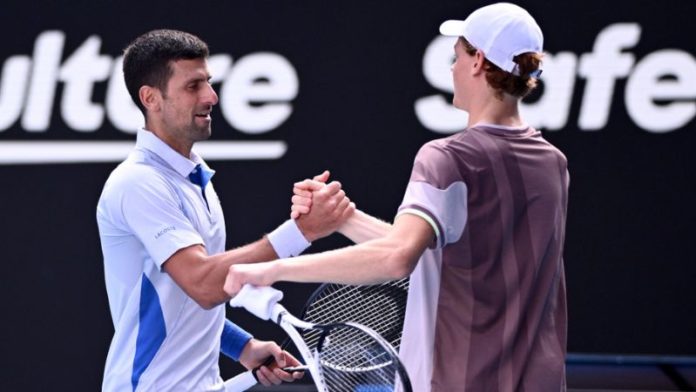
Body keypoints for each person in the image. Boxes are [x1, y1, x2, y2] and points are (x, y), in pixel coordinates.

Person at [223, 3, 569, 391]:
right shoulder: (552, 163)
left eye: (456, 57)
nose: (452, 69)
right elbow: (440, 253)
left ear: (478, 62)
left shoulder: (447, 158)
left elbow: (397, 257)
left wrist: (270, 269)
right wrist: (345, 218)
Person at [96, 29, 353, 391]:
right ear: (150, 98)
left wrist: (242, 346)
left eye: (209, 82)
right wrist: (300, 232)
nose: (211, 96)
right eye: (193, 86)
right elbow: (202, 282)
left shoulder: (194, 178)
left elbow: (182, 298)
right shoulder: (137, 183)